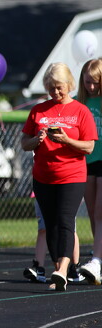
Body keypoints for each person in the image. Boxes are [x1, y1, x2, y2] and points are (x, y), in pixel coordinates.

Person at [21, 62, 96, 292]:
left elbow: (89, 147)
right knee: (51, 224)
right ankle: (57, 271)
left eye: (59, 87)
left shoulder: (81, 111)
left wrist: (66, 140)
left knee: (65, 221)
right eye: (51, 87)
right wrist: (37, 139)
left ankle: (63, 269)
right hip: (43, 176)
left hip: (72, 175)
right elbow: (24, 143)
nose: (55, 92)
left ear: (69, 84)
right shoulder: (38, 110)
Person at [76, 58, 102, 284]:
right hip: (86, 161)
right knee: (93, 212)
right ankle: (98, 255)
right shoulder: (79, 102)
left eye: (95, 82)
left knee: (100, 211)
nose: (91, 87)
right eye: (87, 82)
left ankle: (97, 259)